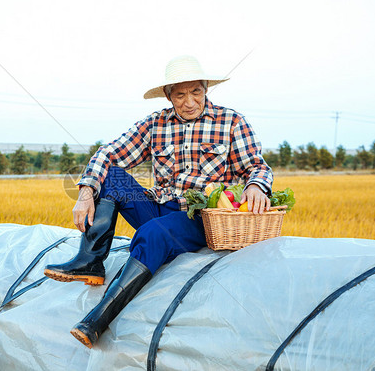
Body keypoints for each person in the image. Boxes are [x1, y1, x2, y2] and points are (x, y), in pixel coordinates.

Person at [44, 55, 273, 348]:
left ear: (205, 89)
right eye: (180, 94)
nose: (189, 102)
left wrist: (256, 185)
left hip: (200, 218)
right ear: (168, 95)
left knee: (154, 234)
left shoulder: (231, 122)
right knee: (111, 177)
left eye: (196, 92)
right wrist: (86, 191)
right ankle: (90, 262)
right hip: (159, 208)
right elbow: (108, 153)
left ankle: (96, 320)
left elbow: (257, 165)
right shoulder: (156, 124)